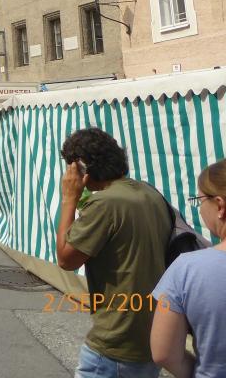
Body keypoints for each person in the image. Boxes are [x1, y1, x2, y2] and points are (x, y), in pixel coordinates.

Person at [56, 127, 171, 378]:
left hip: (115, 342)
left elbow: (66, 259)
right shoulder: (149, 193)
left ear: (81, 168)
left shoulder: (106, 203)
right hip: (150, 334)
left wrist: (69, 198)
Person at [151, 158, 226, 378]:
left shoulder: (186, 268)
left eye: (200, 200)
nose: (199, 209)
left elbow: (163, 353)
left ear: (220, 206)